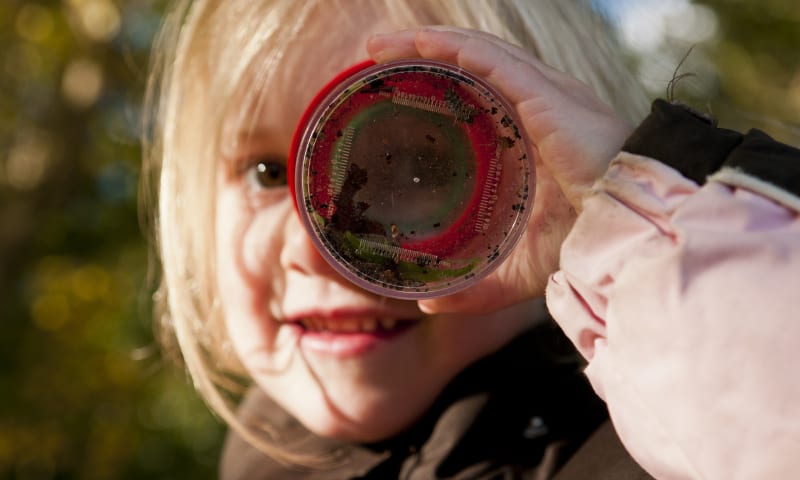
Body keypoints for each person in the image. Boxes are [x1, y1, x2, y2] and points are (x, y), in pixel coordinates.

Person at [142, 0, 800, 479]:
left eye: (411, 165)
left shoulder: (666, 444)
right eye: (265, 173)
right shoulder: (258, 457)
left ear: (536, 184)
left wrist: (635, 241)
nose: (316, 250)